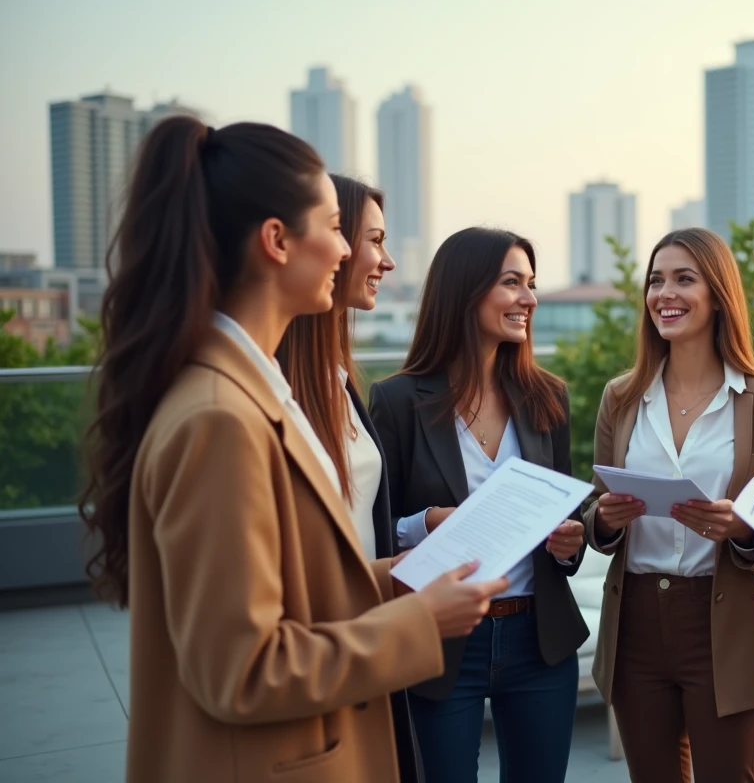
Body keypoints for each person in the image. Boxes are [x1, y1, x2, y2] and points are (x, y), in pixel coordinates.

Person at [78, 116, 505, 783]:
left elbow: (285, 590)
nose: (347, 250)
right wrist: (418, 621)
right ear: (277, 241)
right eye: (336, 227)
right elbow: (243, 670)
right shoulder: (219, 419)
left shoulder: (250, 393)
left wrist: (392, 576)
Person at [369, 226, 588, 783]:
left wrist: (569, 542)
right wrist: (428, 523)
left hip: (539, 639)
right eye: (512, 282)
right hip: (442, 638)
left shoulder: (547, 396)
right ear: (465, 291)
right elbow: (375, 532)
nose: (529, 300)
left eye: (531, 285)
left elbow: (561, 516)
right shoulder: (396, 400)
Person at [583, 227, 754, 783]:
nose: (664, 294)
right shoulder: (621, 396)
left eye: (683, 278)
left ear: (718, 293)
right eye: (656, 281)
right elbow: (598, 510)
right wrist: (604, 521)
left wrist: (740, 528)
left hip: (722, 622)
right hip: (636, 624)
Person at [276, 176, 426, 781]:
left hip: (364, 637)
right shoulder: (275, 396)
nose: (385, 261)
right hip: (328, 654)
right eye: (370, 240)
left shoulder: (336, 378)